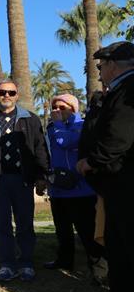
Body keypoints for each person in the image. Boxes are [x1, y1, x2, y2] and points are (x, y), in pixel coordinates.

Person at [76, 41, 134, 292]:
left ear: (113, 65)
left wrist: (91, 161)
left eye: (101, 67)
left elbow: (119, 137)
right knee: (118, 245)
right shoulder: (120, 90)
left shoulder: (129, 90)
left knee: (126, 245)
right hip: (117, 184)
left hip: (127, 182)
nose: (99, 73)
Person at [0, 79, 49, 282]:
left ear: (17, 95)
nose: (7, 96)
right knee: (1, 224)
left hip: (22, 180)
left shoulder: (30, 119)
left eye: (11, 93)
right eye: (3, 92)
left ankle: (26, 263)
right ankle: (7, 264)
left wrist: (41, 176)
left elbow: (40, 149)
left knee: (25, 223)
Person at [45, 94, 105, 273]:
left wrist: (57, 125)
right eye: (54, 107)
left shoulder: (83, 125)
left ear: (73, 108)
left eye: (61, 108)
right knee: (63, 232)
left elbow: (66, 141)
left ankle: (98, 268)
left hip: (81, 190)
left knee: (87, 232)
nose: (56, 111)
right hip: (58, 189)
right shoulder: (51, 128)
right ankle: (64, 261)